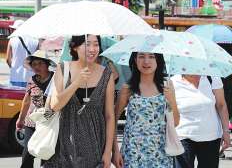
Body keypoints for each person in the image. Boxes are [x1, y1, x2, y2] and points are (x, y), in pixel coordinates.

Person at [43, 35, 115, 168]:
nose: (92, 49)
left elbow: (110, 116)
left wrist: (107, 152)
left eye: (96, 44)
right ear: (75, 47)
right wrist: (77, 82)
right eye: (87, 44)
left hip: (94, 146)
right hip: (63, 144)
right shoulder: (63, 68)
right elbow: (54, 105)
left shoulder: (107, 74)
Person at [112, 52, 179, 168]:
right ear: (135, 60)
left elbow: (176, 122)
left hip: (161, 155)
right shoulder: (127, 88)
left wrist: (171, 99)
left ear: (158, 60)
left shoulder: (167, 85)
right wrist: (115, 151)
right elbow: (112, 121)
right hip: (132, 155)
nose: (146, 61)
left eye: (152, 57)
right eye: (141, 56)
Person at [172, 74, 231, 168]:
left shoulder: (212, 77)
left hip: (211, 137)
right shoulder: (173, 82)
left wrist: (226, 131)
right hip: (182, 136)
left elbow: (221, 105)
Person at [15, 50, 56, 168]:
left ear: (47, 64)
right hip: (32, 122)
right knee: (28, 151)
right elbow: (26, 100)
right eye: (34, 64)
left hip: (49, 122)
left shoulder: (55, 78)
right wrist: (20, 119)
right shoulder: (32, 80)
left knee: (46, 153)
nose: (36, 67)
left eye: (40, 63)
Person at [5, 19, 39, 87]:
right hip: (32, 77)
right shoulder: (36, 40)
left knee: (15, 97)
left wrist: (14, 68)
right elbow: (39, 59)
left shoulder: (12, 40)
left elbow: (8, 59)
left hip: (16, 76)